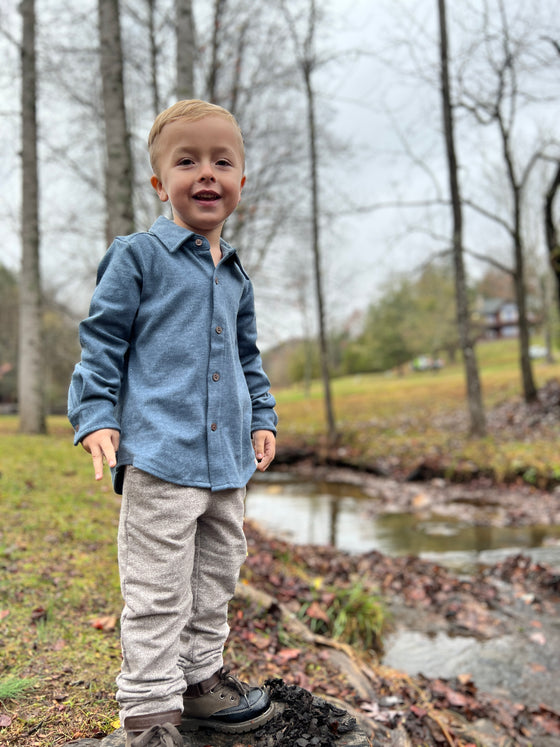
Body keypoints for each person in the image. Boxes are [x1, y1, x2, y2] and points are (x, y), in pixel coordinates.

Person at [68, 100, 278, 747]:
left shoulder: (235, 273)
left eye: (222, 161)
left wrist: (262, 416)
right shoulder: (137, 257)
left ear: (242, 180)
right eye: (187, 161)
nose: (206, 173)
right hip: (161, 454)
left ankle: (199, 681)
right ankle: (150, 714)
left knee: (215, 576)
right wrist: (97, 413)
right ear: (161, 184)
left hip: (227, 463)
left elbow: (247, 355)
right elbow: (103, 341)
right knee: (158, 590)